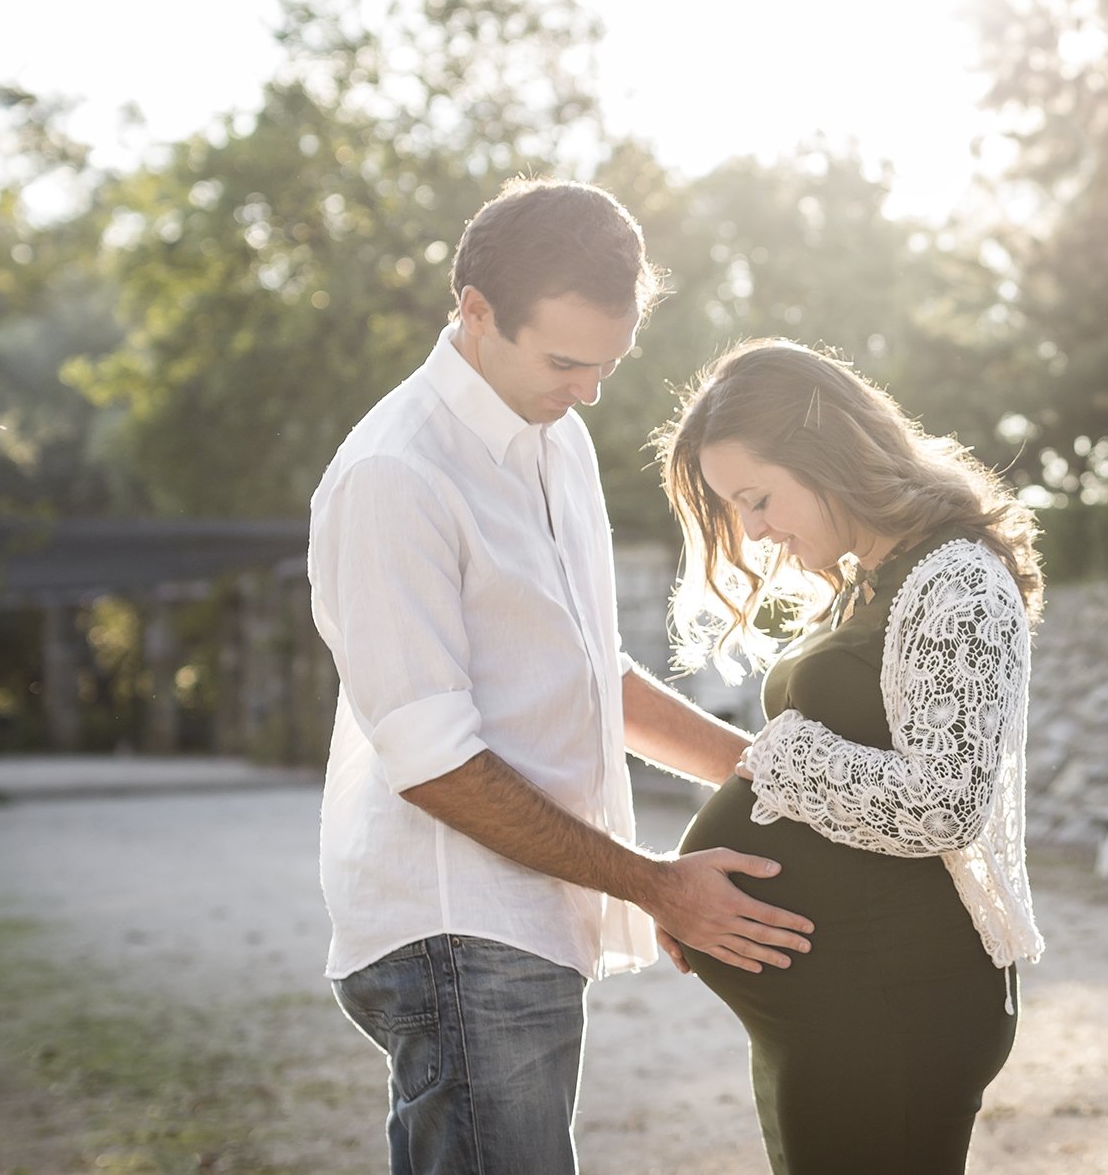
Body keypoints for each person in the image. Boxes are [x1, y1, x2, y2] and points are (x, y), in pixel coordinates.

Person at [308, 180, 814, 1175]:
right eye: (566, 360)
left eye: (607, 365)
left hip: (530, 916)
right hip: (454, 925)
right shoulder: (394, 477)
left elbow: (589, 675)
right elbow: (434, 763)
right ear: (476, 312)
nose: (588, 389)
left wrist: (766, 775)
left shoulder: (558, 438)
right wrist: (661, 886)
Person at [654, 338, 1046, 1175]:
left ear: (826, 451)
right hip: (832, 1016)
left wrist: (783, 756)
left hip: (895, 1009)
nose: (752, 531)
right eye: (736, 508)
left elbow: (946, 803)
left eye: (758, 498)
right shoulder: (864, 579)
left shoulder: (960, 581)